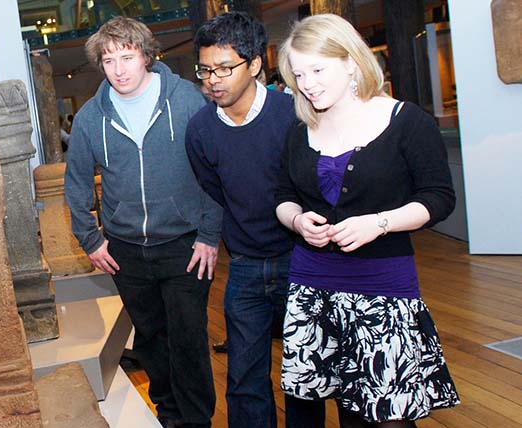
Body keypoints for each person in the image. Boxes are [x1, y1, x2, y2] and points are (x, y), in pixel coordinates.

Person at [274, 14, 460, 427]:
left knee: (385, 416)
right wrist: (298, 220)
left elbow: (438, 198)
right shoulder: (298, 129)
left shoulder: (405, 121)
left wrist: (379, 222)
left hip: (383, 289)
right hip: (312, 286)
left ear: (351, 61)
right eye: (299, 73)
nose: (307, 83)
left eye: (317, 70)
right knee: (327, 406)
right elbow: (283, 197)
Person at [64, 16, 222, 428]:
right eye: (109, 59)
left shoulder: (186, 100)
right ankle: (171, 417)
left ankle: (196, 421)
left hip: (185, 245)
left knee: (188, 338)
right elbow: (77, 183)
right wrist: (90, 239)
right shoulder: (89, 119)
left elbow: (213, 172)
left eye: (127, 57)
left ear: (146, 56)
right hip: (126, 250)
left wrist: (209, 233)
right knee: (151, 340)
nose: (119, 69)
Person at [186, 12, 325, 428]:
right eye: (206, 69)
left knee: (304, 379)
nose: (214, 79)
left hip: (303, 260)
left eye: (225, 68)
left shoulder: (294, 115)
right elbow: (213, 188)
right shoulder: (200, 130)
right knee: (245, 380)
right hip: (245, 266)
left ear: (254, 65)